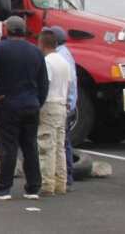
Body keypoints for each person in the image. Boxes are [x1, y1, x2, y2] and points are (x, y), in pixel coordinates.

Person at [0, 16, 48, 200]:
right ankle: (33, 187)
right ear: (23, 30)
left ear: (6, 30)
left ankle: (3, 187)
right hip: (31, 104)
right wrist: (38, 101)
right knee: (30, 146)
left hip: (9, 104)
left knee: (9, 146)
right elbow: (43, 83)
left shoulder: (0, 49)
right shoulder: (35, 51)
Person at [37, 30, 71, 196]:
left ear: (42, 44)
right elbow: (69, 85)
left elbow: (45, 84)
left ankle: (47, 184)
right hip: (62, 104)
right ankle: (61, 183)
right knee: (60, 147)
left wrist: (38, 104)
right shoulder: (64, 62)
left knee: (46, 146)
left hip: (49, 104)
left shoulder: (47, 62)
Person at [45, 26, 78, 191]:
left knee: (58, 144)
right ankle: (63, 179)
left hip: (59, 104)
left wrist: (68, 103)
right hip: (65, 104)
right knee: (62, 143)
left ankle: (60, 179)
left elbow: (67, 83)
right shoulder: (66, 54)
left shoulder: (57, 57)